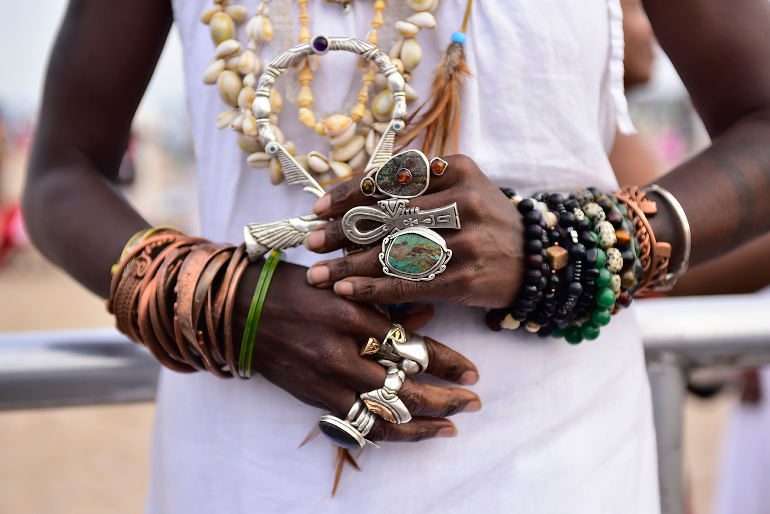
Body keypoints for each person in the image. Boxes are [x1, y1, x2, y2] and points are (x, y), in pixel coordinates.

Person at [22, 0, 770, 512]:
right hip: (238, 469)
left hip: (555, 468)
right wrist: (225, 302)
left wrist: (556, 248)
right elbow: (61, 173)